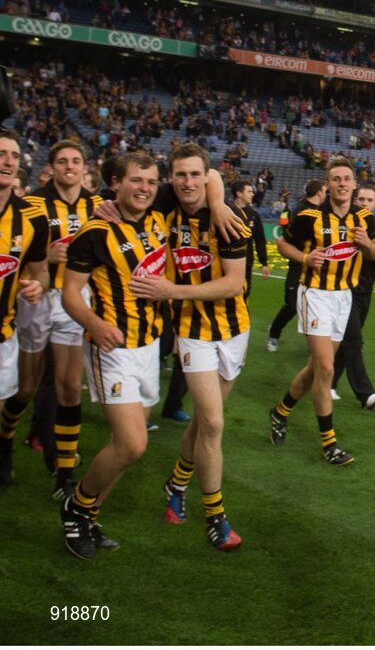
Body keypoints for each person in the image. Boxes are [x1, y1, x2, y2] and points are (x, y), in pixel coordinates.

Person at [127, 143, 250, 552]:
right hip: (191, 331)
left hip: (235, 330)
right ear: (171, 177)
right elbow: (131, 191)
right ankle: (215, 515)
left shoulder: (231, 216)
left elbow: (234, 283)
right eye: (180, 174)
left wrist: (170, 289)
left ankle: (176, 482)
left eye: (195, 174)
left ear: (206, 175)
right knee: (213, 424)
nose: (187, 182)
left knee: (202, 423)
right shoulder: (164, 206)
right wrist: (107, 206)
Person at [58, 153, 166, 558]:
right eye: (136, 181)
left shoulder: (158, 220)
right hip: (112, 347)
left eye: (152, 182)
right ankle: (75, 508)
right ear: (116, 183)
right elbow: (70, 294)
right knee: (133, 445)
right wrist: (96, 326)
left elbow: (204, 178)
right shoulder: (94, 231)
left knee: (124, 446)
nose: (145, 189)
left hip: (150, 345)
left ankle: (88, 518)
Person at [268, 158, 375, 465]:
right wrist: (304, 258)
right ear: (328, 184)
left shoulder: (365, 219)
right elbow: (282, 244)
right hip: (315, 295)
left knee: (316, 369)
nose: (342, 183)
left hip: (344, 297)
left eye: (347, 179)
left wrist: (367, 245)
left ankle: (280, 411)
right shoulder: (309, 217)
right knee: (326, 369)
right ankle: (329, 444)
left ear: (354, 184)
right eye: (336, 179)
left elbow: (373, 254)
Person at [13, 141, 103, 500]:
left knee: (67, 386)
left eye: (76, 161)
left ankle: (64, 471)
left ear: (85, 168)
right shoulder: (31, 203)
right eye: (62, 161)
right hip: (35, 297)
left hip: (74, 300)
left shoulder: (99, 207)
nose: (70, 167)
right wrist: (45, 256)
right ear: (50, 168)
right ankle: (6, 445)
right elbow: (13, 249)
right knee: (26, 388)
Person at [0, 130, 50, 485]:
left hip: (4, 334)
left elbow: (40, 273)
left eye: (14, 155)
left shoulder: (30, 218)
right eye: (2, 153)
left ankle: (3, 445)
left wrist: (37, 285)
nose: (8, 161)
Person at [331, 182, 375, 409]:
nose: (364, 204)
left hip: (364, 295)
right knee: (354, 341)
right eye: (361, 199)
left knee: (346, 340)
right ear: (354, 199)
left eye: (369, 200)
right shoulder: (343, 225)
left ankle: (329, 383)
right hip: (342, 291)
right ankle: (365, 394)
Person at [266, 179, 326, 352]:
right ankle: (274, 333)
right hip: (299, 261)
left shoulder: (323, 211)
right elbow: (290, 236)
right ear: (319, 192)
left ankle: (315, 343)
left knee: (317, 305)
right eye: (324, 191)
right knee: (292, 304)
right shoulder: (300, 210)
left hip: (317, 264)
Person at [230, 180, 269, 295]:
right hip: (227, 260)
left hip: (246, 261)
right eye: (249, 191)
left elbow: (260, 240)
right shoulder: (226, 212)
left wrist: (264, 262)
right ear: (239, 193)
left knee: (245, 293)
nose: (252, 194)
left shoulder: (253, 215)